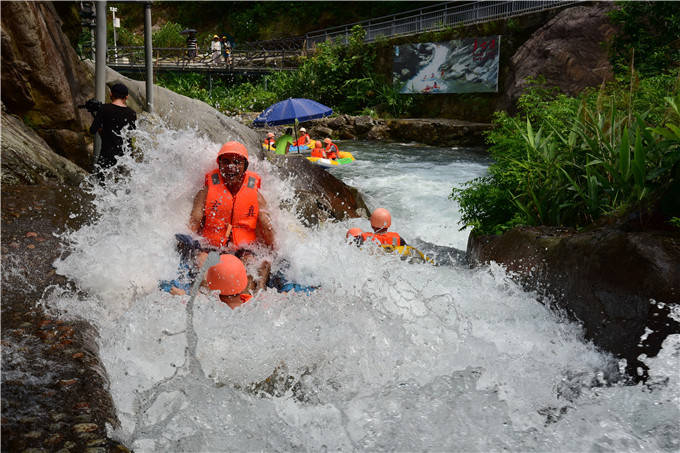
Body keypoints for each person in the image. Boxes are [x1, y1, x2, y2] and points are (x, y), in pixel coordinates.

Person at [188, 141, 275, 292]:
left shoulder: (256, 196)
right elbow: (194, 222)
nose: (231, 166)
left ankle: (247, 298)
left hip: (243, 249)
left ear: (245, 167)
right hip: (212, 247)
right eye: (226, 162)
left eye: (237, 162)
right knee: (201, 260)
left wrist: (275, 251)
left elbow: (267, 228)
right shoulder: (206, 192)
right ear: (219, 165)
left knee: (253, 263)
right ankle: (205, 298)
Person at [88, 82, 137, 176]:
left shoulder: (104, 109)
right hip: (126, 156)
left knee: (102, 184)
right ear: (126, 97)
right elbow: (131, 133)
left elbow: (92, 130)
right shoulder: (132, 113)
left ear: (111, 94)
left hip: (107, 154)